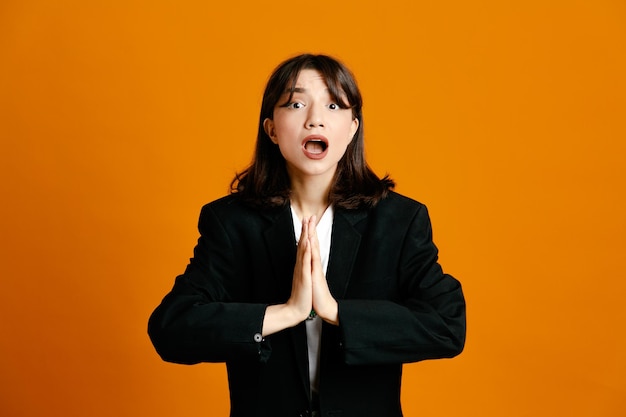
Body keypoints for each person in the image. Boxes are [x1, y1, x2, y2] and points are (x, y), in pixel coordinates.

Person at [148, 54, 466, 417]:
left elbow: (447, 325)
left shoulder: (399, 220)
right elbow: (171, 327)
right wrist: (287, 312)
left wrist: (333, 311)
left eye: (333, 104)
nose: (315, 118)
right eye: (296, 104)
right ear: (271, 129)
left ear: (351, 128)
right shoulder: (231, 222)